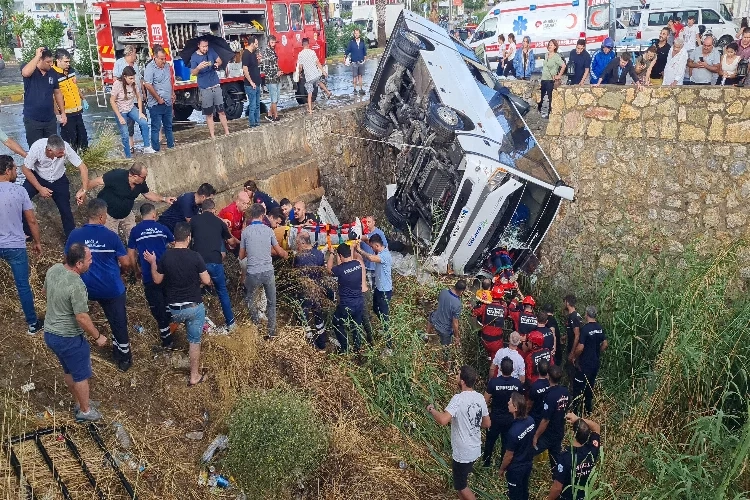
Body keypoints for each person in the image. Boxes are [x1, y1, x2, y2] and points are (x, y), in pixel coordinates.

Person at [65, 199, 132, 371]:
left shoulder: (75, 235)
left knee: (76, 316)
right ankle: (123, 358)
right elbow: (125, 262)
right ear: (102, 216)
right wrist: (122, 273)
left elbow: (67, 260)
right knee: (118, 322)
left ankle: (77, 350)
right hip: (110, 289)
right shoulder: (111, 236)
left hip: (83, 288)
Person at [43, 243, 107, 422]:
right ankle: (85, 412)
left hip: (50, 333)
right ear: (79, 264)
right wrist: (98, 336)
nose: (91, 262)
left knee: (69, 371)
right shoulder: (76, 284)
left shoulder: (54, 269)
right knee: (80, 374)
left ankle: (79, 402)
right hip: (68, 337)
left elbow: (45, 291)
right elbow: (82, 317)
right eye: (89, 259)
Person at [144, 222, 212, 386]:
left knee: (179, 318)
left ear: (174, 238)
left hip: (174, 310)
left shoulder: (166, 256)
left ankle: (170, 341)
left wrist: (153, 262)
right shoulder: (195, 256)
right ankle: (194, 376)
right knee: (194, 340)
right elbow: (207, 280)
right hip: (194, 308)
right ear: (189, 238)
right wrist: (198, 282)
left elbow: (157, 280)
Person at [427, 365, 490, 500]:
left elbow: (443, 420)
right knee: (459, 485)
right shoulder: (480, 398)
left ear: (462, 381)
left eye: (458, 374)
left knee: (462, 486)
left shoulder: (458, 398)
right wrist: (472, 421)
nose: (456, 376)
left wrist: (432, 410)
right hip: (475, 448)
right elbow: (487, 423)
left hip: (463, 452)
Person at [0, 155, 43, 334]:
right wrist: (37, 242)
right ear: (8, 170)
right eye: (15, 169)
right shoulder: (19, 191)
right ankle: (32, 324)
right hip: (15, 245)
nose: (17, 171)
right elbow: (31, 221)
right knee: (23, 285)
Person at [22, 135, 88, 240]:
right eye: (59, 154)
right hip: (38, 176)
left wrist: (84, 190)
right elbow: (25, 169)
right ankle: (27, 233)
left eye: (63, 152)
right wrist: (40, 188)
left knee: (66, 210)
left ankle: (71, 240)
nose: (63, 154)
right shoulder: (37, 148)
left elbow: (83, 167)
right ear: (49, 150)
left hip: (59, 179)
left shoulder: (65, 148)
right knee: (22, 199)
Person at [127, 203, 175, 347]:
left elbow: (130, 253)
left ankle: (167, 340)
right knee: (168, 303)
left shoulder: (135, 231)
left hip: (148, 275)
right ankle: (172, 328)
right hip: (166, 273)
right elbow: (174, 243)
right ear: (154, 214)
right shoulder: (162, 228)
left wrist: (136, 270)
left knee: (157, 308)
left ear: (141, 216)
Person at [88, 162, 174, 241]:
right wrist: (83, 191)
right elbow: (96, 181)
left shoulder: (141, 183)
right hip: (109, 215)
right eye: (144, 177)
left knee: (133, 236)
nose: (145, 179)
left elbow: (147, 193)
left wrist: (164, 199)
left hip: (127, 213)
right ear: (135, 176)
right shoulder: (116, 175)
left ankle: (133, 254)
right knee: (111, 240)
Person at [240, 203, 288, 339]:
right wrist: (287, 255)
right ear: (262, 216)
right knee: (272, 302)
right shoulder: (268, 231)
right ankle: (271, 333)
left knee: (250, 299)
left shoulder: (246, 232)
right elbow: (279, 251)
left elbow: (241, 256)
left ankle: (256, 325)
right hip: (268, 272)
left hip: (253, 273)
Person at [189, 198, 239, 331]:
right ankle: (231, 323)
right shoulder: (219, 221)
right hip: (216, 261)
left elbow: (188, 238)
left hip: (199, 263)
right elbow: (231, 242)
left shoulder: (194, 220)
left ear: (202, 209)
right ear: (213, 210)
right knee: (222, 291)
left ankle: (199, 324)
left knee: (196, 293)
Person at [547, 413, 601, 500]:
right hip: (584, 495)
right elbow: (596, 427)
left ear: (573, 434)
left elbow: (557, 488)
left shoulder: (565, 457)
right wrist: (578, 419)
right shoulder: (593, 448)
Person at [327, 242, 368, 352]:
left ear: (340, 256)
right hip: (359, 302)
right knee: (356, 325)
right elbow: (345, 265)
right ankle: (357, 348)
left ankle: (344, 348)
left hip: (346, 305)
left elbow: (329, 269)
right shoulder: (358, 264)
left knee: (336, 322)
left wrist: (331, 253)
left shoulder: (339, 270)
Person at [21, 47, 66, 146]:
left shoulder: (52, 73)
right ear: (39, 60)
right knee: (36, 148)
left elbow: (57, 93)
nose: (51, 64)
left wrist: (62, 112)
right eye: (48, 62)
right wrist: (37, 55)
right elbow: (26, 73)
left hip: (50, 119)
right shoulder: (29, 68)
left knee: (52, 148)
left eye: (52, 61)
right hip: (33, 119)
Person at [355, 234, 393, 350]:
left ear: (377, 245)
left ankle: (389, 345)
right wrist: (359, 238)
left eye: (372, 247)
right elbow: (370, 242)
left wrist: (359, 250)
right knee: (376, 309)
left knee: (385, 316)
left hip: (385, 291)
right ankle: (383, 325)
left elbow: (370, 258)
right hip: (378, 288)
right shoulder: (380, 250)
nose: (371, 248)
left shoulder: (385, 255)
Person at [483, 357, 523, 467]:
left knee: (490, 442)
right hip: (510, 419)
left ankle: (486, 464)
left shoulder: (494, 382)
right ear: (513, 369)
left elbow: (485, 400)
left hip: (495, 418)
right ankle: (503, 465)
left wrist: (486, 415)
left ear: (500, 368)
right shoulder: (517, 384)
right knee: (506, 443)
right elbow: (521, 402)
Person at [532, 365, 570, 473]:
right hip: (559, 431)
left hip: (548, 434)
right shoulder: (565, 392)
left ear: (548, 376)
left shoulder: (550, 396)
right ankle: (557, 479)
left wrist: (536, 436)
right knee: (555, 459)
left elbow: (545, 420)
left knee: (530, 452)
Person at [498, 392, 536, 500]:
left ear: (515, 408)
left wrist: (501, 469)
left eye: (510, 402)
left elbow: (508, 455)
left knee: (515, 494)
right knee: (524, 489)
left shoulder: (513, 432)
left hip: (516, 468)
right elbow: (532, 440)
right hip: (527, 463)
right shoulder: (531, 421)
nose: (507, 403)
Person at [571, 306, 608, 415]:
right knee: (590, 387)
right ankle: (588, 411)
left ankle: (576, 413)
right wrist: (597, 352)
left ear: (586, 314)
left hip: (585, 364)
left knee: (578, 387)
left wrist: (574, 356)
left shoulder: (585, 329)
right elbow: (605, 344)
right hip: (595, 363)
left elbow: (580, 347)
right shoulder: (599, 327)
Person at [111, 66, 154, 157]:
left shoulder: (134, 84)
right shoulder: (117, 84)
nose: (132, 80)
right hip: (121, 111)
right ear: (125, 77)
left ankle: (147, 147)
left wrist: (140, 112)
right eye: (130, 78)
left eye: (133, 78)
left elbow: (139, 97)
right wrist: (119, 117)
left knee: (144, 122)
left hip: (131, 108)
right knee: (125, 134)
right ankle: (128, 156)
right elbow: (112, 101)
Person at [293, 231, 327, 349]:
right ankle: (322, 345)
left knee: (304, 317)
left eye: (297, 243)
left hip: (304, 292)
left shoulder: (299, 257)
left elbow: (295, 274)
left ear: (302, 243)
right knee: (318, 317)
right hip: (317, 291)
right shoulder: (319, 254)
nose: (297, 245)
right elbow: (323, 271)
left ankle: (311, 345)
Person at [191, 37, 229, 138]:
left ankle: (227, 132)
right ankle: (212, 135)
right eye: (203, 46)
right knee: (209, 113)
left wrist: (217, 64)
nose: (205, 48)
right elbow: (193, 73)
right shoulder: (194, 57)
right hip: (205, 88)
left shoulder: (211, 51)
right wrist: (198, 67)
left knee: (221, 110)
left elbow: (219, 60)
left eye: (206, 46)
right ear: (199, 46)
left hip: (215, 84)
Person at [52, 49, 88, 151]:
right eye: (66, 62)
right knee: (70, 142)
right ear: (58, 61)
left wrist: (83, 99)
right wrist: (58, 114)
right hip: (66, 114)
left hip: (77, 111)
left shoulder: (71, 70)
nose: (68, 64)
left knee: (83, 139)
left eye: (69, 62)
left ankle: (84, 160)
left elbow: (75, 86)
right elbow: (53, 97)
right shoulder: (53, 74)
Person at [143, 47, 175, 152]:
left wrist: (172, 93)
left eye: (164, 58)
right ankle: (156, 150)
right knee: (156, 127)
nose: (163, 61)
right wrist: (158, 98)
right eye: (161, 59)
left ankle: (171, 146)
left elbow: (169, 81)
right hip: (156, 104)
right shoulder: (150, 68)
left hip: (168, 102)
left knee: (169, 126)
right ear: (155, 57)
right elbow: (148, 84)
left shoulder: (166, 66)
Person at [113, 45, 143, 155]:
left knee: (143, 120)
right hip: (126, 100)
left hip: (137, 97)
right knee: (129, 125)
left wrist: (143, 94)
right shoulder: (119, 63)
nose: (136, 56)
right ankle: (130, 146)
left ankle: (146, 144)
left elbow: (139, 80)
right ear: (130, 53)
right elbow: (116, 80)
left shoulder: (135, 64)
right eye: (135, 53)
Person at [296, 38, 332, 114]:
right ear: (308, 44)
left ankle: (310, 110)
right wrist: (323, 71)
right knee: (319, 82)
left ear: (302, 45)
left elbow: (300, 67)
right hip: (315, 74)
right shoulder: (312, 52)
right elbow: (318, 63)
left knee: (309, 94)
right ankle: (328, 92)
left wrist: (299, 74)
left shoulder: (300, 54)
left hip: (309, 76)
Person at [427, 280, 466, 348]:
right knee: (446, 345)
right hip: (444, 330)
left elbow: (439, 301)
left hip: (434, 320)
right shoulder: (457, 304)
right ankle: (446, 355)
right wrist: (457, 337)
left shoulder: (443, 291)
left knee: (432, 315)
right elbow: (455, 323)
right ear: (461, 291)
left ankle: (427, 335)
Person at [472, 287, 506, 361]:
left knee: (488, 355)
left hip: (485, 340)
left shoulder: (485, 306)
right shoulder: (504, 309)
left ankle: (487, 360)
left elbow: (473, 312)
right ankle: (491, 367)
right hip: (497, 342)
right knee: (495, 361)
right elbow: (506, 315)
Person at [539, 39, 565, 118]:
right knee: (541, 96)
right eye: (549, 44)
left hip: (550, 80)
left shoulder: (556, 56)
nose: (550, 46)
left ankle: (549, 113)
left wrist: (559, 76)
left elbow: (563, 65)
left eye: (551, 45)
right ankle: (539, 110)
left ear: (555, 47)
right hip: (544, 78)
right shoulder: (546, 55)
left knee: (550, 98)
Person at [260, 35, 283, 121]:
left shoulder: (273, 52)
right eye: (272, 42)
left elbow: (275, 65)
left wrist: (278, 72)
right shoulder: (266, 53)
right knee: (274, 99)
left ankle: (269, 114)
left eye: (274, 42)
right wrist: (276, 73)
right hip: (271, 79)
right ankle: (275, 116)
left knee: (276, 99)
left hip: (276, 78)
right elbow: (266, 68)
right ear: (268, 43)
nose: (273, 44)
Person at [242, 36, 262, 128]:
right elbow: (245, 69)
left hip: (257, 82)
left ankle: (257, 122)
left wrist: (259, 60)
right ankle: (252, 124)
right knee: (253, 105)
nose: (257, 46)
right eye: (256, 44)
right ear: (252, 43)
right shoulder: (246, 54)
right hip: (250, 84)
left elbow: (255, 66)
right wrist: (251, 82)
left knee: (257, 104)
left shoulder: (253, 53)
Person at [563, 294, 582, 379]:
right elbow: (573, 332)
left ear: (567, 303)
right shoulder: (573, 316)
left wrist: (572, 352)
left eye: (564, 301)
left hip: (574, 348)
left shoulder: (574, 316)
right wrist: (565, 336)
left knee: (572, 371)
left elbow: (577, 335)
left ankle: (574, 389)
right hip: (572, 346)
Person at [529, 359, 550, 427]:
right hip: (547, 416)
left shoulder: (534, 386)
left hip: (535, 417)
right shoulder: (551, 383)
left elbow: (530, 403)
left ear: (537, 369)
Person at [345, 29, 367, 95]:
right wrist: (345, 57)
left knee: (360, 76)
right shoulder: (351, 42)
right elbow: (347, 50)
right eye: (355, 33)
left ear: (359, 34)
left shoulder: (362, 42)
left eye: (357, 33)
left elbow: (364, 51)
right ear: (354, 34)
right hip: (354, 62)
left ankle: (361, 89)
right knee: (355, 76)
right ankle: (354, 89)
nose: (356, 34)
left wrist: (365, 59)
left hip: (361, 61)